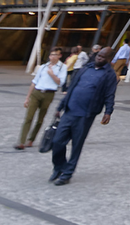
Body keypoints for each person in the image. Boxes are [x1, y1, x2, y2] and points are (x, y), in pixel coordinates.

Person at [47, 48, 117, 186]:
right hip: (69, 111)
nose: (99, 58)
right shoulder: (85, 69)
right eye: (98, 55)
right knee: (57, 142)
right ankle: (59, 167)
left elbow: (110, 94)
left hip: (85, 115)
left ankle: (67, 174)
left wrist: (108, 112)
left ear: (108, 59)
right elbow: (71, 87)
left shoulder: (109, 75)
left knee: (76, 145)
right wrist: (60, 107)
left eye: (103, 57)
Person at [17, 49, 68, 150]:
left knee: (40, 119)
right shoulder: (43, 66)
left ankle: (31, 139)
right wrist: (27, 97)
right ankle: (21, 142)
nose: (52, 57)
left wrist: (52, 74)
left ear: (60, 56)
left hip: (49, 94)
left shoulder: (62, 67)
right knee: (28, 117)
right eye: (51, 54)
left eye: (55, 55)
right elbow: (34, 81)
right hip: (37, 92)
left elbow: (60, 83)